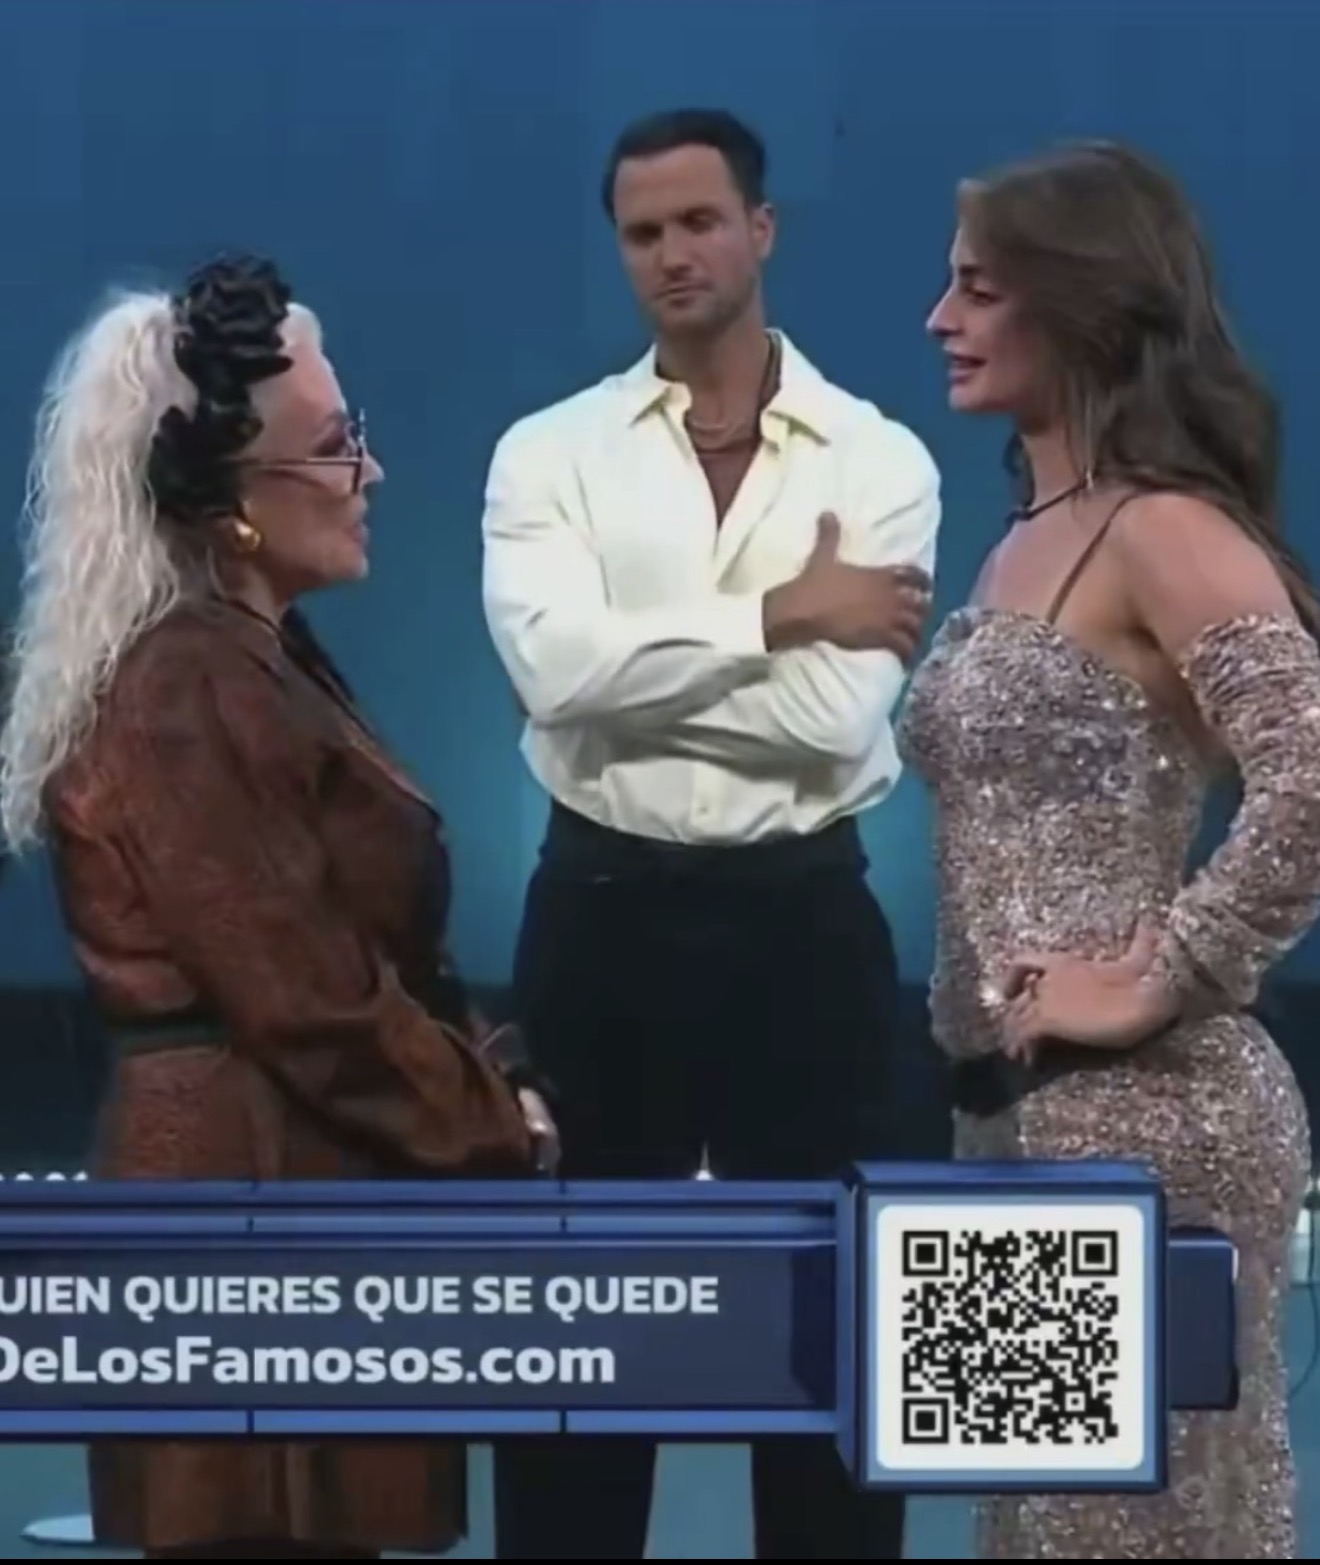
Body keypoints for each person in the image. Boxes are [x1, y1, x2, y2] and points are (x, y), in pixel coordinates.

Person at [0, 254, 556, 1561]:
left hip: (293, 1186)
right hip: (244, 1201)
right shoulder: (190, 681)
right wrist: (495, 1118)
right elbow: (305, 994)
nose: (371, 472)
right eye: (337, 444)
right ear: (237, 500)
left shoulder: (257, 660)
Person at [481, 108, 938, 1560]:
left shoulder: (878, 456)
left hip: (803, 924)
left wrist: (637, 681)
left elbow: (832, 724)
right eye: (642, 232)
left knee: (830, 1346)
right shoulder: (549, 454)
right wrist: (784, 613)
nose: (671, 253)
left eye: (697, 221)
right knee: (579, 1354)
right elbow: (555, 677)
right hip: (599, 918)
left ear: (761, 229)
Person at [902, 140, 1320, 1558]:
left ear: (1081, 303)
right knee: (1027, 1531)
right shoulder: (1025, 540)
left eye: (978, 290)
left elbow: (1312, 773)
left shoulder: (1165, 530)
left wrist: (1166, 974)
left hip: (1149, 1125)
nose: (939, 320)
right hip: (1001, 1124)